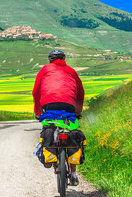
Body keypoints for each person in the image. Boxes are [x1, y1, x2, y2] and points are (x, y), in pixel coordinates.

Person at [32, 49, 84, 186]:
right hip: (69, 105)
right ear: (64, 59)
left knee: (49, 127)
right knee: (70, 132)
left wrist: (38, 111)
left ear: (50, 59)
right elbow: (80, 92)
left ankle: (50, 155)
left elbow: (36, 91)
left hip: (49, 104)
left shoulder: (44, 70)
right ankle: (73, 173)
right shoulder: (71, 71)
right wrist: (77, 111)